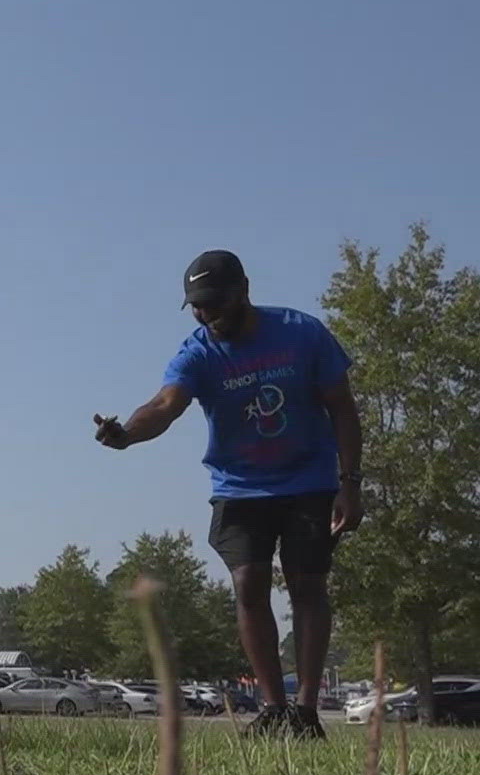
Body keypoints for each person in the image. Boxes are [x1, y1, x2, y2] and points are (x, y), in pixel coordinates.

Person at [94, 249, 364, 740]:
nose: (206, 314)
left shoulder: (302, 332)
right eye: (197, 306)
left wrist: (350, 483)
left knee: (307, 587)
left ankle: (305, 711)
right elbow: (164, 404)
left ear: (244, 290)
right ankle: (273, 707)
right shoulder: (198, 352)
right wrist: (127, 434)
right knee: (248, 584)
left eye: (214, 303)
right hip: (239, 487)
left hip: (309, 482)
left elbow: (343, 409)